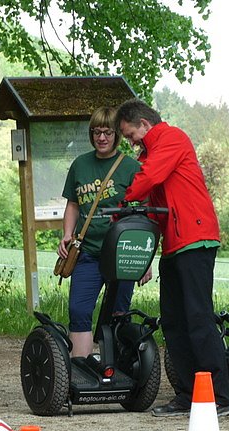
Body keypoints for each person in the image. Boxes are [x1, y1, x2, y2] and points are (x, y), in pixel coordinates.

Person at [115, 98, 229, 417]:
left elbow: (149, 179)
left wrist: (123, 201)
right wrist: (144, 256)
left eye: (130, 135)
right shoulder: (150, 155)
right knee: (172, 321)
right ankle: (189, 394)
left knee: (198, 317)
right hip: (174, 244)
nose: (130, 142)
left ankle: (220, 396)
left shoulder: (171, 139)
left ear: (144, 124)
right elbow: (154, 214)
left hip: (196, 238)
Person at [57, 106, 145, 358]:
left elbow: (141, 214)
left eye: (107, 132)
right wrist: (67, 233)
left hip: (121, 255)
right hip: (87, 252)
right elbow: (73, 204)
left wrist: (143, 259)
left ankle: (117, 370)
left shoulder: (130, 167)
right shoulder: (80, 165)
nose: (102, 137)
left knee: (118, 314)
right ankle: (81, 371)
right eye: (96, 132)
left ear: (117, 134)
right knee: (79, 311)